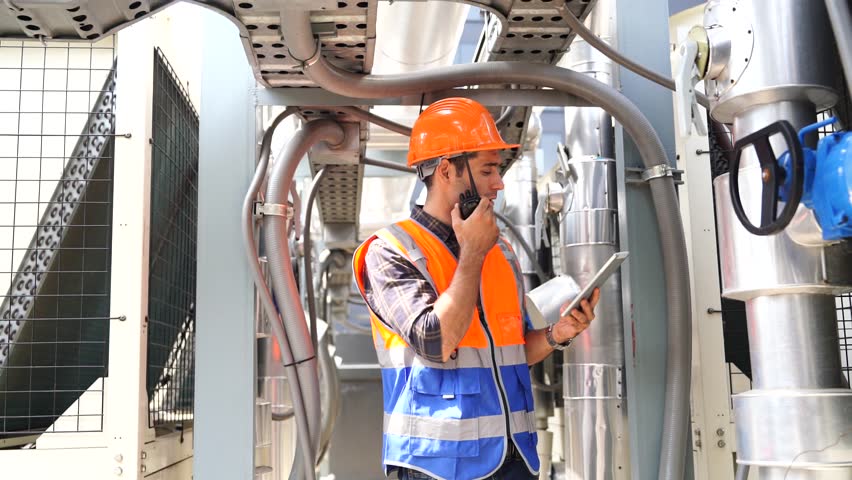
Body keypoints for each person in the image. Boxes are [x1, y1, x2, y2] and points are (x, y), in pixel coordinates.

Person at [353, 97, 600, 480]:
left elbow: (510, 352)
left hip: (514, 457)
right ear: (448, 170)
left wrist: (557, 334)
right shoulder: (391, 251)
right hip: (435, 465)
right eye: (487, 170)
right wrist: (471, 254)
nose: (498, 182)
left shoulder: (498, 250)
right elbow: (436, 342)